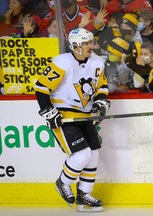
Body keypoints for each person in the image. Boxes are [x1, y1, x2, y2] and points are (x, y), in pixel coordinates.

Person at [34, 27, 110, 212]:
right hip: (64, 115)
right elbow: (41, 87)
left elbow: (102, 86)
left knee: (93, 155)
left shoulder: (97, 62)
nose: (90, 46)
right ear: (75, 45)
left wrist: (100, 103)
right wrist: (48, 111)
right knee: (82, 155)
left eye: (90, 42)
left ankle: (84, 193)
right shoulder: (62, 62)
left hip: (84, 114)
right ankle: (63, 182)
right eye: (86, 43)